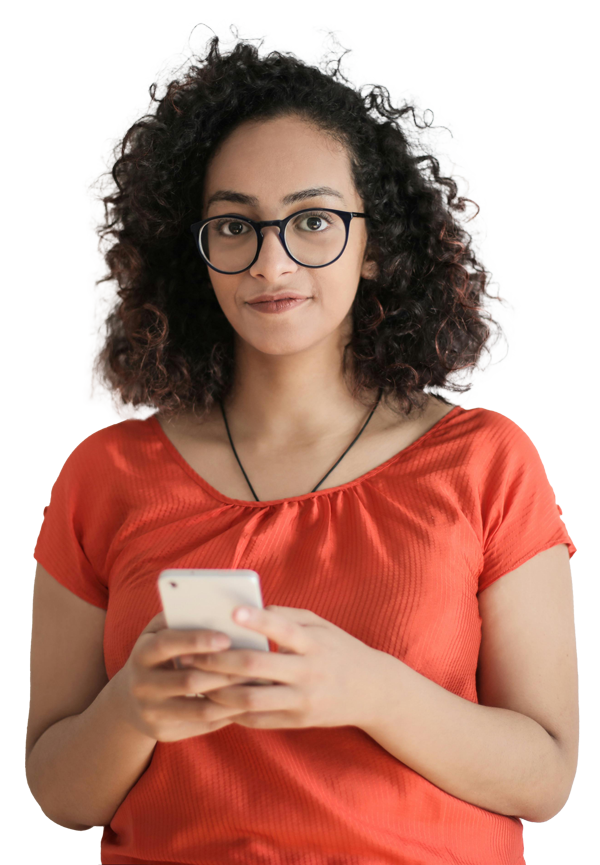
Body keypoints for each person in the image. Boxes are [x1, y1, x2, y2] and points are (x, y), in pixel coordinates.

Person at [26, 27, 579, 865]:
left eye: (313, 220)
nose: (271, 263)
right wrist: (133, 707)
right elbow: (58, 792)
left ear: (377, 241)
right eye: (235, 226)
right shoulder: (106, 475)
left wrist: (373, 690)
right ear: (197, 253)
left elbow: (546, 777)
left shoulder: (485, 461)